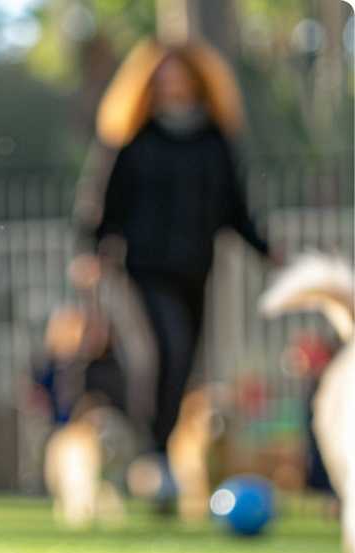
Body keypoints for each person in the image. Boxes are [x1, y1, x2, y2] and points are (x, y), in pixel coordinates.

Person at [70, 38, 279, 495]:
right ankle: (153, 453)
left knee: (185, 366)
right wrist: (89, 249)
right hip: (144, 267)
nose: (172, 83)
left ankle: (158, 454)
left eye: (179, 75)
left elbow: (234, 209)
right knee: (169, 351)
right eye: (163, 76)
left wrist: (266, 249)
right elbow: (104, 202)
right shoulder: (134, 137)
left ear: (197, 81)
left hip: (196, 267)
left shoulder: (214, 140)